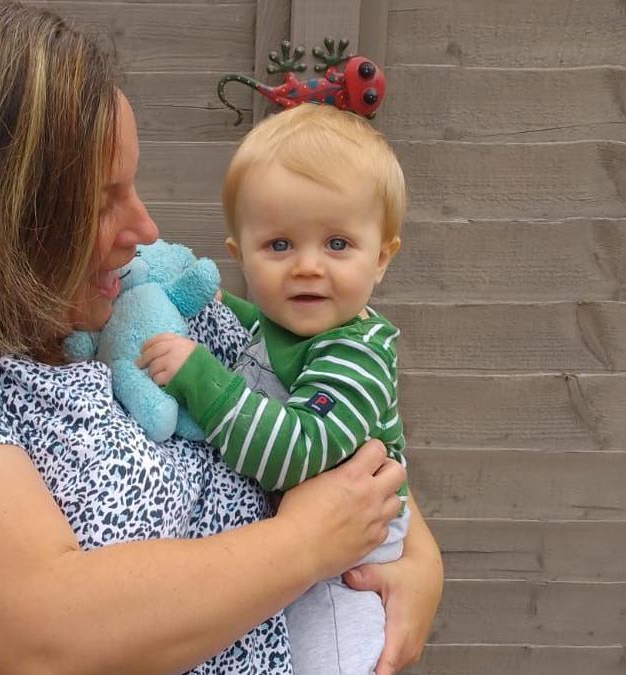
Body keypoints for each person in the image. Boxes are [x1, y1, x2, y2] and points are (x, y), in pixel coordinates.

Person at [0, 2, 443, 674]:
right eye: (102, 201)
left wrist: (419, 560)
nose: (147, 228)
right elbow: (45, 636)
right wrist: (307, 542)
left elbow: (327, 430)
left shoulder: (147, 302)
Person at [137, 103, 409, 674]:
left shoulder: (354, 352)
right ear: (241, 255)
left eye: (337, 244)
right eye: (279, 246)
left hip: (344, 575)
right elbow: (256, 329)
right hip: (300, 551)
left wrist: (198, 376)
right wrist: (207, 302)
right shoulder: (286, 324)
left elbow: (297, 451)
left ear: (382, 257)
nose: (308, 267)